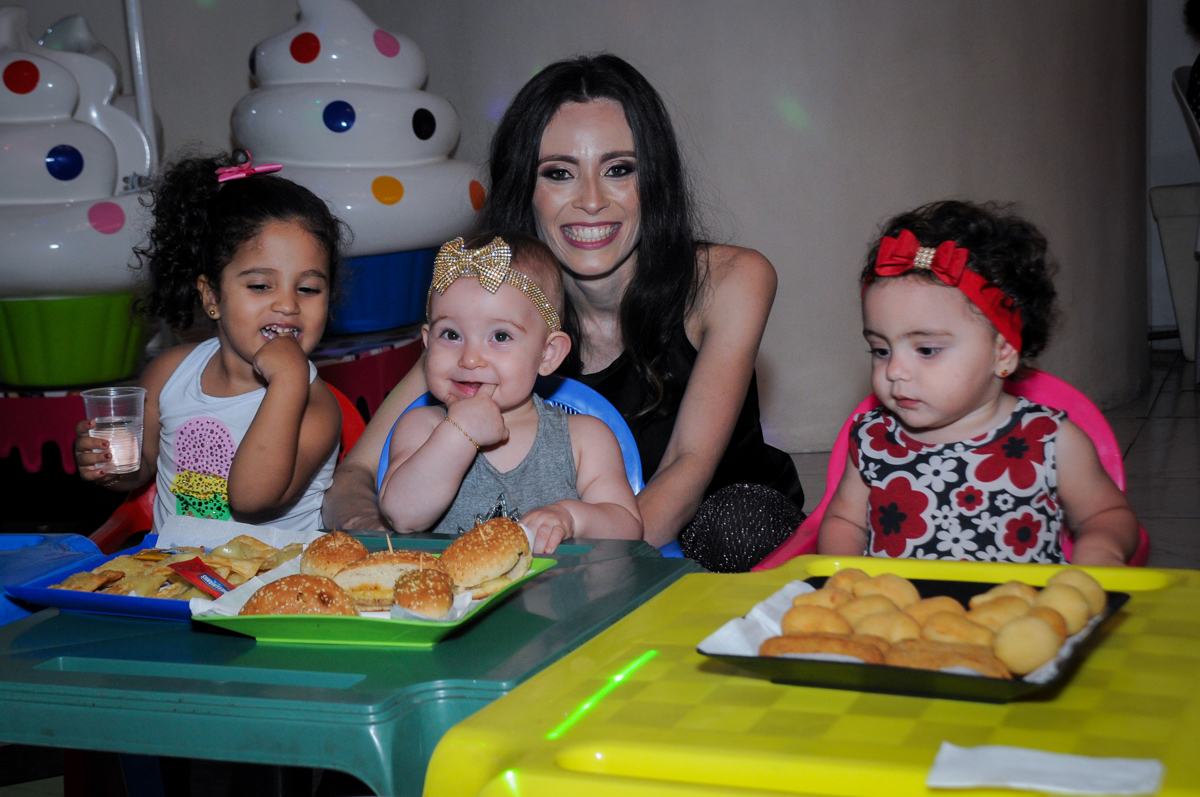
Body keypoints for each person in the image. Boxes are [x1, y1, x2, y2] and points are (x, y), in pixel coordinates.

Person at [325, 54, 804, 571]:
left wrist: (563, 564)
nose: (592, 200)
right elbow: (354, 476)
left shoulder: (731, 280)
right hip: (552, 568)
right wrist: (385, 543)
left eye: (619, 169)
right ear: (524, 190)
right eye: (559, 173)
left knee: (737, 522)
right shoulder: (483, 325)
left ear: (655, 181)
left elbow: (686, 473)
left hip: (718, 535)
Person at [817, 201, 1139, 566]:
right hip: (898, 617)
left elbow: (1106, 515)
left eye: (926, 349)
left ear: (1003, 353)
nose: (895, 371)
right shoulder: (873, 439)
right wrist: (843, 573)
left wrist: (1103, 546)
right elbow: (845, 520)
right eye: (880, 350)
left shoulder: (1050, 440)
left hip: (1017, 616)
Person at [73, 151, 344, 531]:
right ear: (212, 296)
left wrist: (288, 380)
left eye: (309, 288)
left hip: (273, 579)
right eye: (260, 285)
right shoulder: (169, 374)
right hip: (171, 573)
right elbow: (140, 472)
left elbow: (251, 500)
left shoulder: (316, 406)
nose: (287, 304)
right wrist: (107, 463)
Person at [378, 233, 642, 553]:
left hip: (559, 599)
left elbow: (628, 527)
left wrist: (571, 517)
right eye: (450, 334)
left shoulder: (585, 438)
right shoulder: (421, 427)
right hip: (454, 600)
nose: (470, 358)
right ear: (426, 342)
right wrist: (459, 433)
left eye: (500, 336)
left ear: (547, 354)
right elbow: (402, 516)